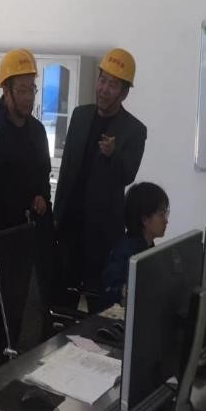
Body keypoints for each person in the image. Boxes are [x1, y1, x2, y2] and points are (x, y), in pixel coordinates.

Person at [54, 48, 147, 313]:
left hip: (102, 236)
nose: (104, 89)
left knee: (100, 307)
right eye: (102, 80)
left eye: (113, 85)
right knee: (60, 301)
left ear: (124, 93)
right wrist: (56, 216)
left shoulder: (134, 130)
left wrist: (113, 155)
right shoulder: (80, 115)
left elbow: (128, 175)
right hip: (69, 229)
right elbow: (67, 170)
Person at [0, 49, 54, 372]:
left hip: (27, 238)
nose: (28, 97)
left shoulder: (37, 131)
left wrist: (41, 197)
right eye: (21, 90)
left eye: (31, 89)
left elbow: (43, 178)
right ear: (5, 90)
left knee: (24, 314)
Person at [102, 182, 169, 305]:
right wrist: (124, 291)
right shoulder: (125, 252)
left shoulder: (148, 246)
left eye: (166, 214)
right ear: (144, 219)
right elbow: (109, 291)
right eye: (161, 214)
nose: (166, 221)